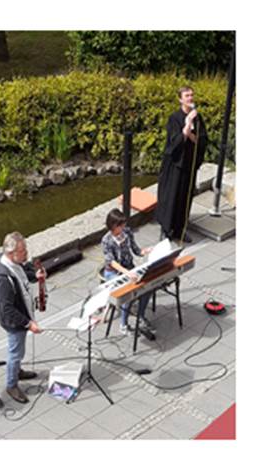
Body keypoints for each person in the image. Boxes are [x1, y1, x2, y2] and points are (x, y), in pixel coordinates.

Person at [0, 232, 45, 404]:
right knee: (16, 353)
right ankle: (11, 384)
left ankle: (18, 371)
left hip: (22, 314)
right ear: (11, 253)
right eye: (23, 251)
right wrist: (28, 323)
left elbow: (22, 276)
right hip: (15, 322)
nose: (26, 254)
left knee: (18, 350)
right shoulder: (2, 279)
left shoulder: (14, 263)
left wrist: (34, 276)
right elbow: (7, 309)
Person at [156, 85, 208, 243]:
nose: (190, 98)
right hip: (175, 165)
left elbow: (202, 140)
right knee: (172, 197)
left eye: (192, 95)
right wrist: (187, 124)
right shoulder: (174, 118)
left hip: (189, 164)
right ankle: (167, 229)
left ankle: (180, 229)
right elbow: (174, 143)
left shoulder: (198, 118)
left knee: (185, 197)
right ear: (180, 99)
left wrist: (191, 132)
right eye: (187, 96)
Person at [100, 209, 154, 335]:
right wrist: (127, 273)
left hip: (130, 268)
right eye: (121, 225)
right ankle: (123, 324)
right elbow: (111, 262)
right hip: (114, 272)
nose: (123, 227)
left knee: (148, 287)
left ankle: (140, 315)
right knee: (128, 293)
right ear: (113, 225)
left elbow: (136, 250)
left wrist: (145, 251)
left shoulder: (127, 232)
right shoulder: (106, 240)